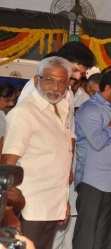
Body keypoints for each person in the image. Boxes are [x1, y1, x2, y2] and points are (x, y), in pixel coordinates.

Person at [2, 56, 73, 249]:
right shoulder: (24, 113)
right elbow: (7, 164)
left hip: (52, 204)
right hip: (30, 206)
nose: (55, 88)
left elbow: (61, 157)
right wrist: (6, 210)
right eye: (49, 80)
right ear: (36, 80)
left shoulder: (62, 107)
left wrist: (63, 201)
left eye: (61, 83)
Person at [73, 69, 111, 249]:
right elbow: (98, 142)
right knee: (87, 236)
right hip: (92, 182)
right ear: (107, 88)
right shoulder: (89, 109)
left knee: (104, 237)